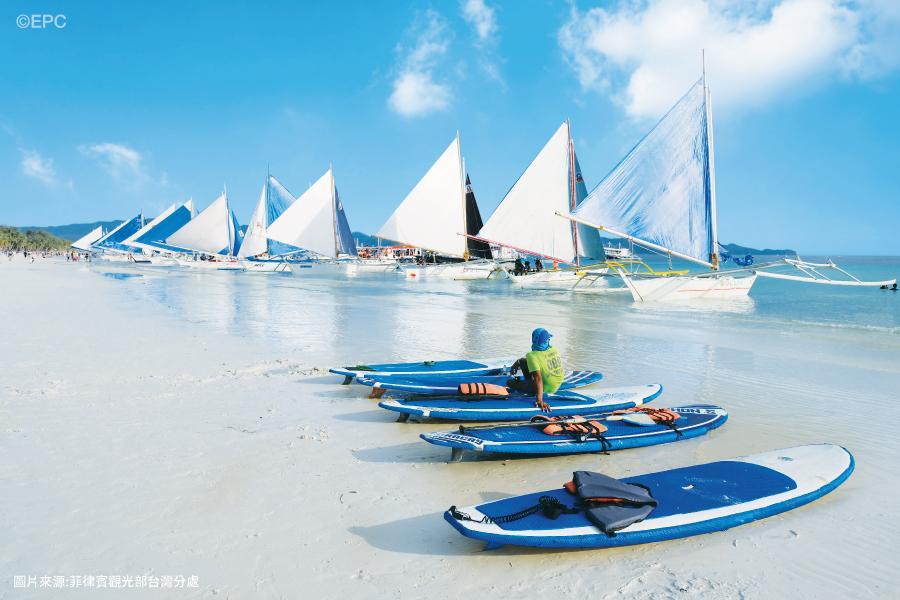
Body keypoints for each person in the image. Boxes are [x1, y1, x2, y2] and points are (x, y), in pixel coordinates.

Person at [508, 328, 565, 412]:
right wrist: (518, 362)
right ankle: (529, 383)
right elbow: (533, 363)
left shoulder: (532, 356)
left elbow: (538, 378)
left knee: (509, 382)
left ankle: (532, 389)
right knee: (523, 362)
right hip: (557, 383)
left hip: (545, 388)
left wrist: (539, 400)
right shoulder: (553, 349)